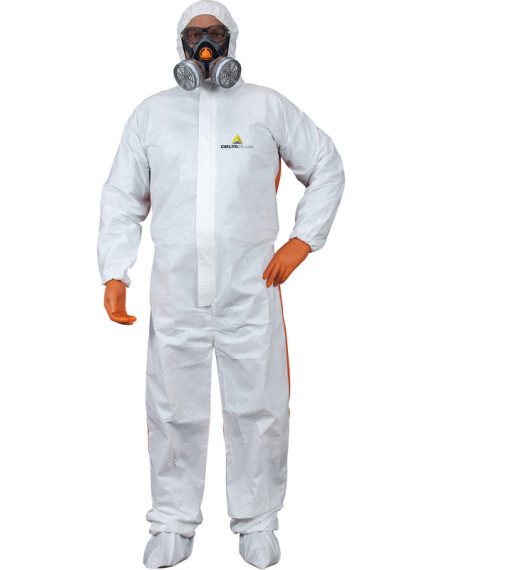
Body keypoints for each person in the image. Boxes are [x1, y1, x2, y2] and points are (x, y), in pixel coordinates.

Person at [97, 1, 345, 568]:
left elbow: (326, 164)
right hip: (176, 292)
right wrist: (115, 271)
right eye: (193, 35)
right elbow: (121, 198)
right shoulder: (152, 114)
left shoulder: (265, 106)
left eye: (214, 34)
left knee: (260, 409)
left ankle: (257, 523)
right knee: (172, 409)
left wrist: (303, 240)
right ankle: (172, 523)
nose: (203, 45)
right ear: (179, 44)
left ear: (232, 39)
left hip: (249, 290)